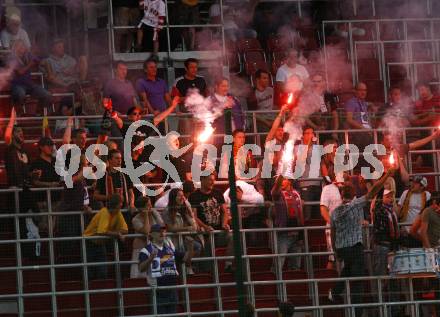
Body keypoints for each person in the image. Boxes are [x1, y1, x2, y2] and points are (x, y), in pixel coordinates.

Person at [329, 168, 394, 317]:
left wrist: (335, 250)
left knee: (348, 269)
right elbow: (374, 191)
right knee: (357, 281)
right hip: (354, 247)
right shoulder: (356, 204)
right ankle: (356, 312)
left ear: (341, 194)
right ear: (353, 195)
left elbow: (332, 233)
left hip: (342, 248)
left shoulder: (334, 212)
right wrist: (386, 176)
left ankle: (335, 291)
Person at [139, 224, 192, 314]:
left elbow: (186, 260)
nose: (162, 233)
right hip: (157, 291)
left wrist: (190, 247)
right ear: (151, 234)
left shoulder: (170, 249)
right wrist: (150, 258)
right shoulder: (146, 250)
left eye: (163, 231)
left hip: (172, 290)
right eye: (158, 231)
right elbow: (141, 268)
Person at [189, 173, 234, 272]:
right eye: (210, 180)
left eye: (213, 179)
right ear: (202, 180)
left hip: (219, 232)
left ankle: (228, 264)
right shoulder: (194, 196)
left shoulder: (218, 193)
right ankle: (206, 271)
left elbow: (225, 211)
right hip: (205, 234)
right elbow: (194, 216)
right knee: (208, 244)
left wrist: (224, 223)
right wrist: (205, 227)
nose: (212, 182)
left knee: (234, 236)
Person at [84, 194, 128, 279]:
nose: (122, 204)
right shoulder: (105, 212)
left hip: (101, 244)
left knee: (102, 272)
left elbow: (125, 230)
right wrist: (117, 234)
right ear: (115, 204)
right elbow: (101, 231)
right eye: (120, 203)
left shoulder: (117, 212)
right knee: (90, 273)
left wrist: (117, 233)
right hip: (89, 243)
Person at [57, 154, 92, 260]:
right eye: (84, 162)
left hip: (80, 217)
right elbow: (67, 183)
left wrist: (85, 206)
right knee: (69, 248)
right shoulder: (70, 174)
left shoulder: (83, 178)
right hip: (69, 218)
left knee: (80, 247)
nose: (87, 163)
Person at [162, 188, 202, 275]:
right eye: (179, 196)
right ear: (173, 198)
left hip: (184, 238)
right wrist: (186, 228)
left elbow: (194, 225)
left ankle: (188, 265)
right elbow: (171, 229)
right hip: (174, 241)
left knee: (197, 246)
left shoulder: (184, 209)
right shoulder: (167, 211)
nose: (182, 198)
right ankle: (187, 266)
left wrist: (188, 208)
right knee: (182, 254)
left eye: (183, 195)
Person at [8, 40, 52, 115]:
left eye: (23, 46)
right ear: (15, 48)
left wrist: (49, 73)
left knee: (46, 94)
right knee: (20, 94)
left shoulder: (28, 56)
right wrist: (30, 64)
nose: (23, 47)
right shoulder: (11, 58)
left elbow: (44, 62)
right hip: (17, 85)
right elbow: (20, 72)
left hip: (29, 84)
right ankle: (18, 113)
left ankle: (38, 112)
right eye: (20, 46)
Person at [271, 174, 304, 271]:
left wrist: (301, 235)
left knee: (296, 266)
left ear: (289, 181)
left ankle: (294, 286)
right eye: (278, 181)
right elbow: (274, 191)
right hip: (283, 234)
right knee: (278, 264)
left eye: (283, 179)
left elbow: (300, 214)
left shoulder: (296, 194)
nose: (280, 182)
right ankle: (274, 285)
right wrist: (281, 176)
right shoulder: (278, 195)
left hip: (296, 234)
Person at [171, 58, 208, 134]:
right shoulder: (179, 81)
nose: (194, 69)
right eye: (191, 67)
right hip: (186, 115)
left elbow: (207, 96)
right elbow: (174, 99)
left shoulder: (202, 80)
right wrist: (188, 99)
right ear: (186, 68)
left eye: (196, 67)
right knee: (186, 139)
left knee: (201, 137)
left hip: (200, 115)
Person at [130, 196, 164, 278]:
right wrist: (145, 216)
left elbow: (162, 226)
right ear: (142, 208)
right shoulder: (135, 219)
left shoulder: (154, 214)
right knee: (140, 275)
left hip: (154, 248)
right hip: (141, 249)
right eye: (148, 205)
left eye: (150, 204)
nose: (150, 207)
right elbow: (146, 231)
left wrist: (155, 214)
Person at [293, 126, 321, 220]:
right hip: (305, 184)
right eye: (308, 133)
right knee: (307, 214)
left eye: (312, 133)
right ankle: (305, 234)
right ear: (302, 136)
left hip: (317, 183)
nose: (311, 135)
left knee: (318, 214)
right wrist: (308, 143)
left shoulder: (317, 148)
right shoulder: (297, 148)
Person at [303, 73, 339, 140]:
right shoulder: (307, 96)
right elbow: (304, 116)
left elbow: (335, 115)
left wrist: (335, 131)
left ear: (323, 82)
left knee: (330, 147)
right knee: (316, 148)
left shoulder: (329, 96)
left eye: (319, 81)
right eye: (314, 81)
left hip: (328, 129)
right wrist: (315, 127)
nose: (316, 84)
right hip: (313, 129)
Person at [320, 167, 342, 270]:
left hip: (347, 229)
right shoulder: (327, 189)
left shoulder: (349, 188)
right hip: (333, 228)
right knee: (333, 258)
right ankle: (329, 285)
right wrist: (333, 223)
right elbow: (323, 210)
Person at [397, 176, 431, 242]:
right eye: (412, 182)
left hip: (421, 233)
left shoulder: (427, 195)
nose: (412, 184)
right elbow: (398, 210)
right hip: (406, 232)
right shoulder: (405, 193)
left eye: (415, 183)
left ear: (422, 186)